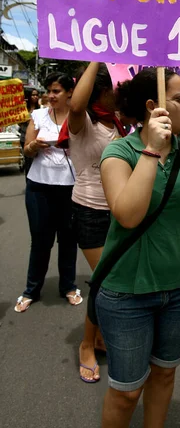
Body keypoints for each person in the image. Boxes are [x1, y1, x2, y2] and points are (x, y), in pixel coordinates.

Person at [93, 68, 180, 428]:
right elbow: (127, 215)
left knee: (164, 375)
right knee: (125, 393)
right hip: (127, 294)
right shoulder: (118, 152)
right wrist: (152, 149)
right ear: (153, 106)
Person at [66, 62, 126, 383]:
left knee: (111, 282)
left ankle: (100, 336)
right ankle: (86, 344)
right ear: (102, 92)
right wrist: (96, 54)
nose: (119, 94)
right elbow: (76, 103)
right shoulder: (83, 122)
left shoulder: (117, 124)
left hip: (118, 213)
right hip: (89, 211)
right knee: (105, 282)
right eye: (115, 88)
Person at [14, 73, 81, 313]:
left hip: (71, 188)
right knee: (40, 241)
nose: (50, 96)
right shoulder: (38, 115)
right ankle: (31, 290)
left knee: (68, 240)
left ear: (70, 93)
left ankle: (69, 287)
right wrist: (34, 146)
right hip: (39, 187)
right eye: (49, 91)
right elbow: (27, 151)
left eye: (56, 91)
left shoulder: (79, 117)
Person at [19, 88, 40, 178]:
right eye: (33, 95)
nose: (35, 97)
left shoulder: (41, 109)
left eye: (36, 95)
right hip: (25, 138)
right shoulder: (23, 109)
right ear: (28, 96)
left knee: (37, 161)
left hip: (38, 139)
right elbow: (19, 123)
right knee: (29, 162)